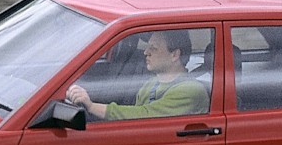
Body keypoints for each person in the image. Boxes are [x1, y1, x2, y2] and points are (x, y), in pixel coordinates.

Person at [67, 30, 209, 120]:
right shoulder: (153, 82)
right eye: (148, 47)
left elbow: (143, 115)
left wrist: (92, 107)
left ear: (174, 55)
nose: (146, 52)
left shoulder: (191, 90)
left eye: (153, 48)